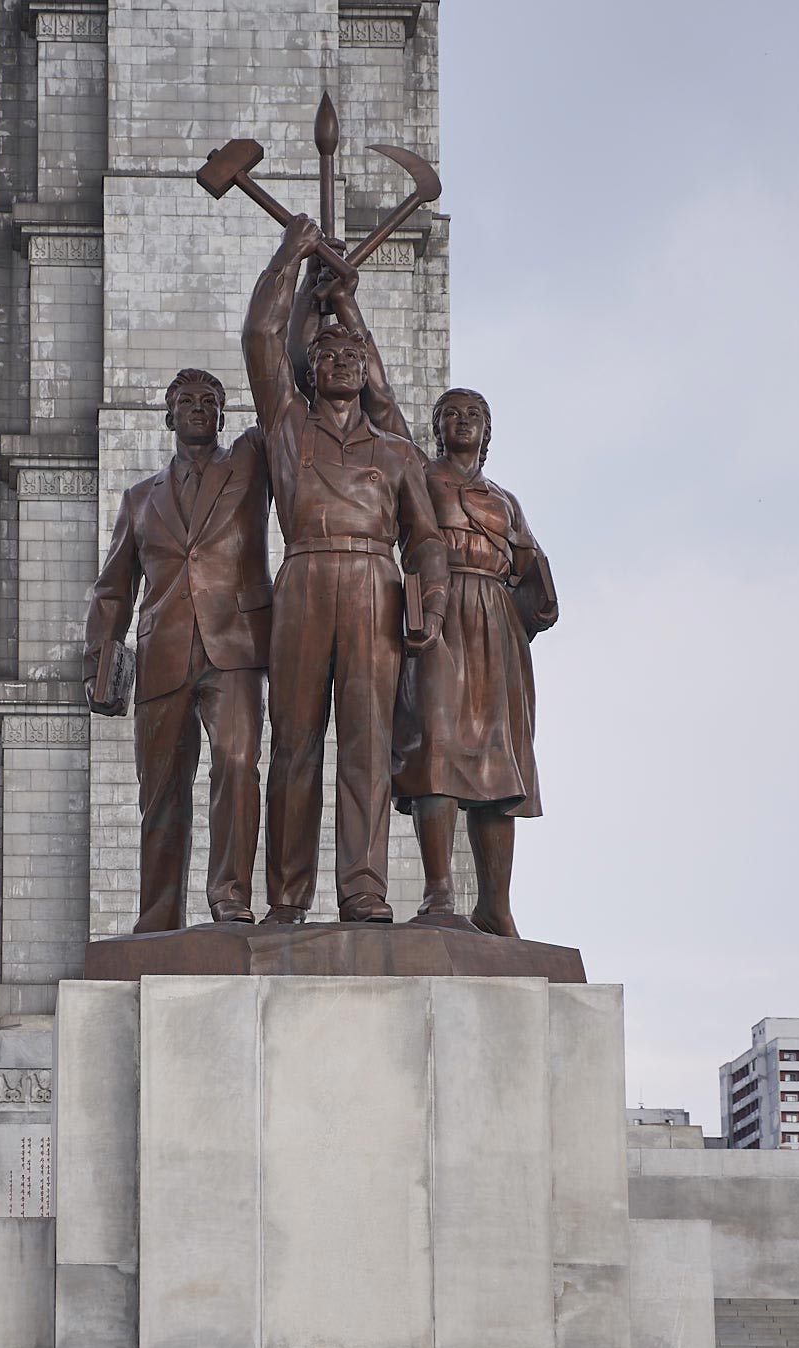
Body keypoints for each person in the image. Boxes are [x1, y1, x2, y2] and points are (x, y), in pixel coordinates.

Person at [290, 266, 558, 936]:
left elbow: (534, 570)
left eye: (474, 414)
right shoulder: (411, 462)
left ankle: (495, 903)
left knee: (499, 761)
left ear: (489, 432)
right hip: (438, 620)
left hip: (495, 625)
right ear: (434, 428)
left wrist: (529, 600)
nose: (462, 421)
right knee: (432, 747)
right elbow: (373, 387)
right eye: (451, 414)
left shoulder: (504, 499)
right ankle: (439, 893)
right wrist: (348, 309)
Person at [242, 215, 449, 924]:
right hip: (302, 580)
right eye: (328, 354)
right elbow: (262, 338)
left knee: (367, 745)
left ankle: (363, 888)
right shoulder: (286, 428)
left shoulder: (394, 452)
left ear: (367, 372)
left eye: (354, 357)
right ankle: (289, 897)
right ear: (312, 369)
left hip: (373, 587)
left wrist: (432, 606)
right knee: (294, 744)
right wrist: (290, 258)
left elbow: (426, 539)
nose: (341, 362)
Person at [83, 369, 272, 932]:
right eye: (186, 402)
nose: (197, 409)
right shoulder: (141, 499)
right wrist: (102, 667)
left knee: (238, 764)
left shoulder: (250, 465)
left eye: (209, 402)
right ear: (168, 417)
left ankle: (230, 897)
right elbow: (114, 587)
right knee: (162, 790)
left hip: (234, 647)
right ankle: (159, 915)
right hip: (161, 653)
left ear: (223, 415)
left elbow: (278, 380)